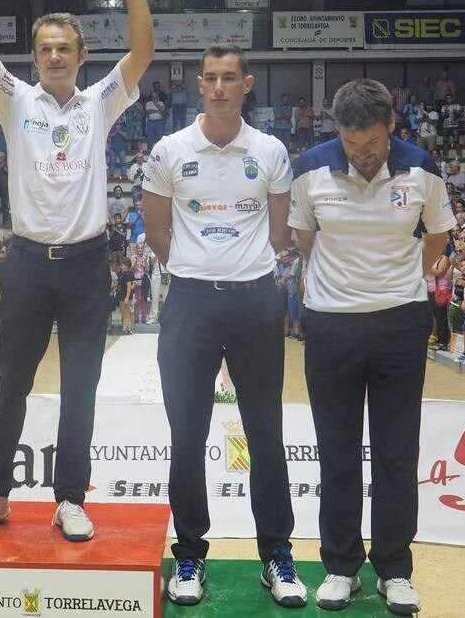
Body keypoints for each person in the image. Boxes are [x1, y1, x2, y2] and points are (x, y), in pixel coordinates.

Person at [0, 0, 155, 544]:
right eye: (45, 48)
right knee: (11, 381)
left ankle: (70, 498)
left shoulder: (99, 102)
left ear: (81, 52)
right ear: (34, 56)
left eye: (65, 47)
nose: (55, 55)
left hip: (89, 264)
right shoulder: (14, 98)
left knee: (80, 385)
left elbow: (143, 51)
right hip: (29, 263)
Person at [141, 43, 304, 607]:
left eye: (228, 78)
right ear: (198, 85)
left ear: (247, 83)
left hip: (256, 303)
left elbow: (281, 234)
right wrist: (196, 269)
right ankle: (189, 555)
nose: (217, 88)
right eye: (209, 78)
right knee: (187, 438)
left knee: (265, 434)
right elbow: (157, 233)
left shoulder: (271, 151)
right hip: (188, 305)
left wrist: (240, 268)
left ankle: (277, 555)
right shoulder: (168, 150)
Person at [288, 79, 454, 613]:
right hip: (331, 324)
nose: (361, 154)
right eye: (351, 144)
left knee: (396, 452)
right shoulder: (311, 166)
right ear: (336, 128)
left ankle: (394, 569)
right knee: (336, 452)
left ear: (391, 128)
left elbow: (438, 237)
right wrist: (339, 282)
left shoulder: (421, 168)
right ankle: (340, 566)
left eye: (372, 145)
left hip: (400, 323)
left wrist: (400, 280)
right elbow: (304, 237)